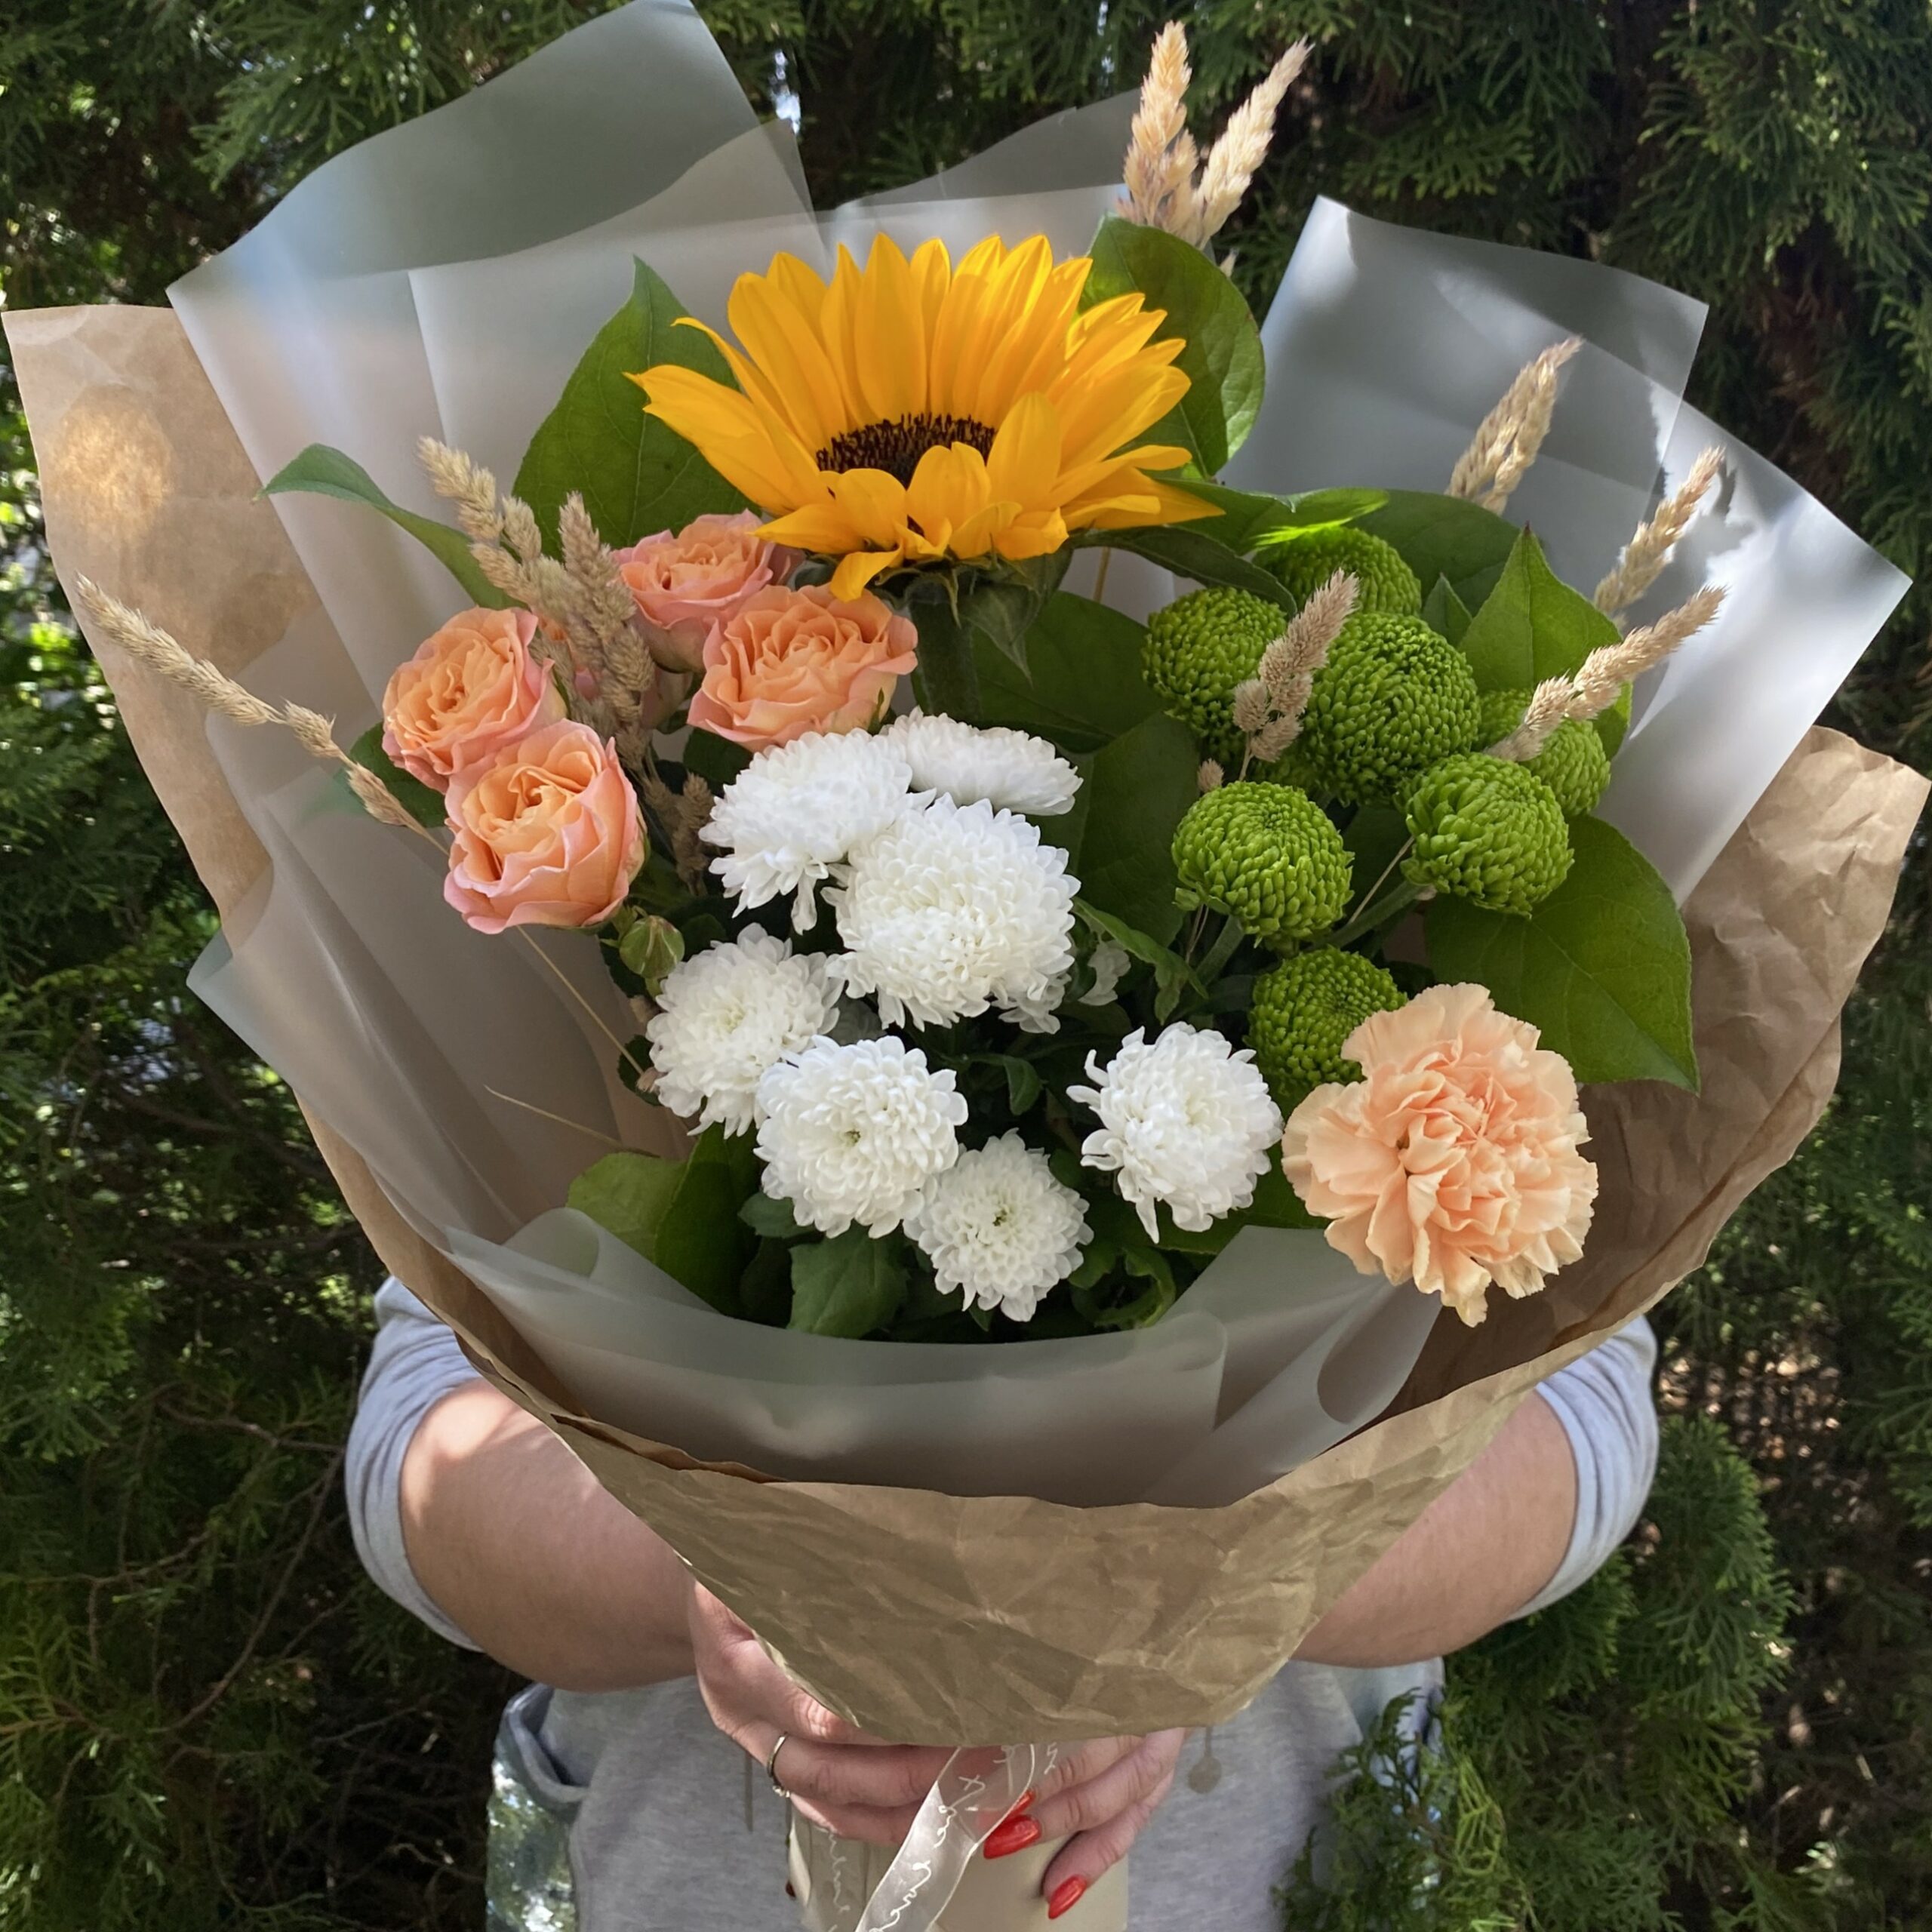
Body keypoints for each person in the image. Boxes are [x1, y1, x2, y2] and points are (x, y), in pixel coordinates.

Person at [349, 1280, 1658, 1930]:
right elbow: (425, 1441)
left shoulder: (1426, 921)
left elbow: (1577, 1423)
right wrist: (734, 1573)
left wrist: (1202, 1597)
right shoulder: (584, 902)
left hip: (1286, 1888)